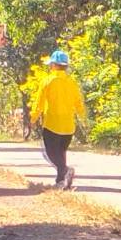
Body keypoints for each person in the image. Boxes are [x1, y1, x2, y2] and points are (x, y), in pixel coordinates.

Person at [31, 49, 87, 189]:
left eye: (51, 64)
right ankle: (61, 182)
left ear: (54, 65)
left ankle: (65, 170)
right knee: (61, 153)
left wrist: (33, 119)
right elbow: (79, 103)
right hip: (68, 126)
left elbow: (39, 103)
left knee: (50, 154)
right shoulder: (72, 82)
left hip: (52, 125)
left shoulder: (47, 81)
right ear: (65, 66)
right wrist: (84, 119)